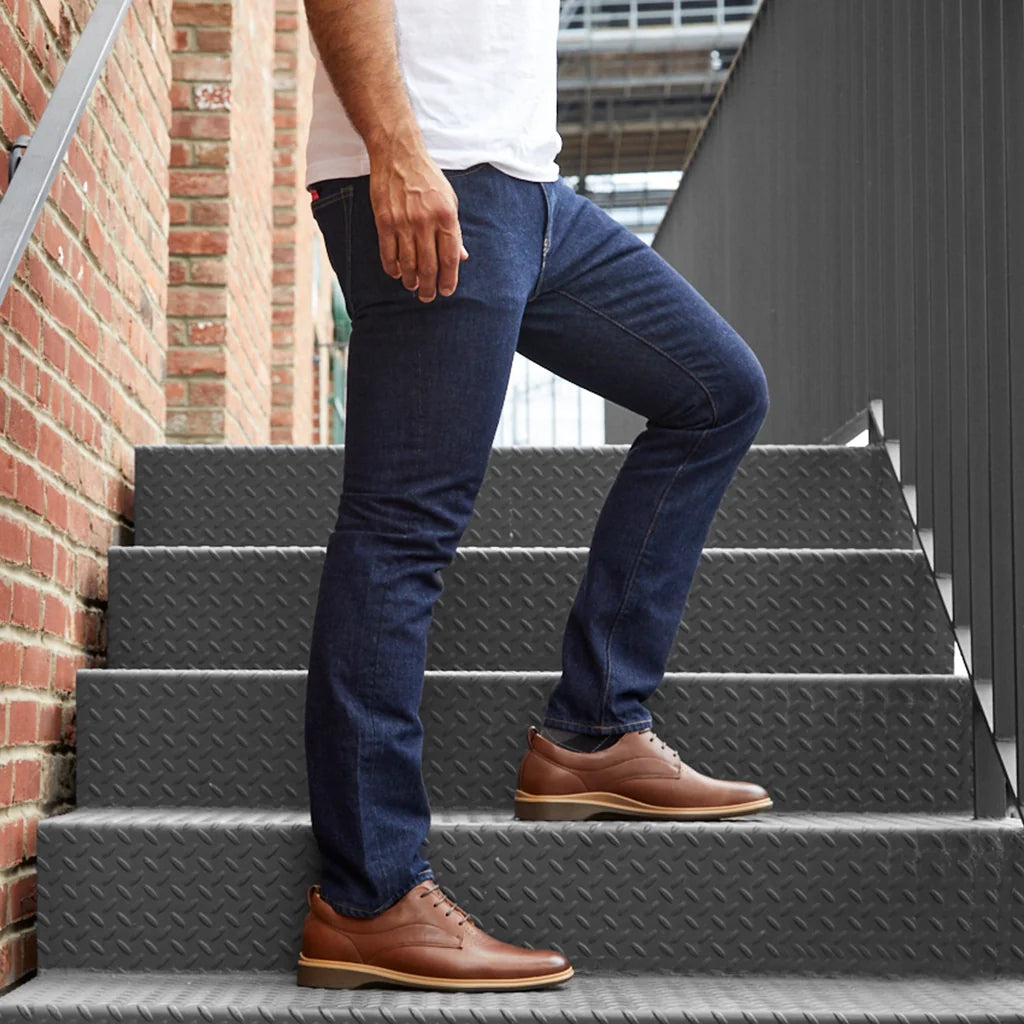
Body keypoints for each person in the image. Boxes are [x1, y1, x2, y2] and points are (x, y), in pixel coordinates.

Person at [295, 0, 773, 993]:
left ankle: (591, 730)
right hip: (436, 175)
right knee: (402, 531)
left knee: (716, 392)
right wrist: (396, 149)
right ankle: (367, 895)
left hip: (531, 194)